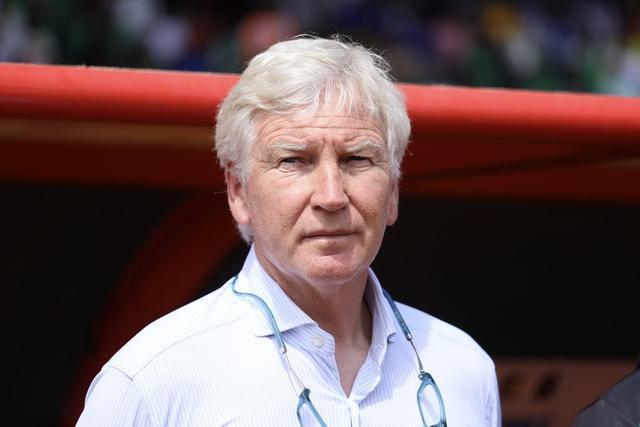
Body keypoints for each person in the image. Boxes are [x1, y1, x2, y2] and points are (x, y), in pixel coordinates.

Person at [77, 36, 501, 426]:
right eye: (294, 161)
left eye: (357, 159)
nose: (331, 196)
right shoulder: (151, 379)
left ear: (393, 192)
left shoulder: (464, 366)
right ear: (239, 192)